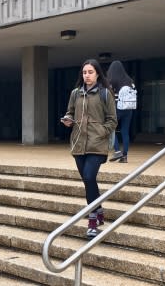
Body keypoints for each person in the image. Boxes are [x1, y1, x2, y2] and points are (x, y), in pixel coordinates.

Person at [60, 59, 117, 238]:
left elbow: (112, 120)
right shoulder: (76, 93)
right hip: (78, 143)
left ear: (98, 73)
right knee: (88, 181)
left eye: (90, 72)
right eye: (84, 72)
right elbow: (70, 111)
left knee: (89, 176)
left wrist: (101, 131)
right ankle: (98, 210)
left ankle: (92, 220)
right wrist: (68, 119)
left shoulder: (105, 93)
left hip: (97, 144)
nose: (87, 75)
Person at [107, 60, 135, 163]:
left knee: (110, 128)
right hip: (129, 108)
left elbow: (108, 94)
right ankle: (125, 156)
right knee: (125, 131)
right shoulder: (130, 80)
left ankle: (117, 151)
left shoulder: (112, 79)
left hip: (117, 108)